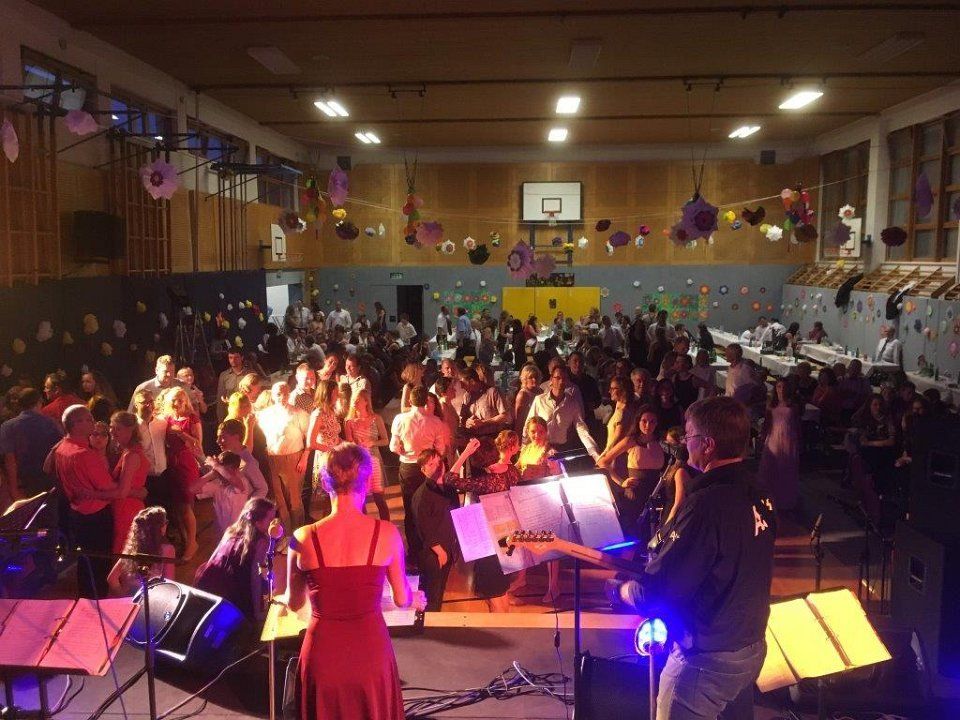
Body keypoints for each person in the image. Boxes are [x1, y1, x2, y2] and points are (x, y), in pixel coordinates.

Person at [609, 397, 776, 719]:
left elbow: (660, 591)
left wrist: (622, 591)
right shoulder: (759, 490)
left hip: (707, 658)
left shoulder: (706, 505)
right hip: (750, 643)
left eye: (689, 436)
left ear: (708, 445)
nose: (685, 443)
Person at [284, 443, 425, 720]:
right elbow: (402, 599)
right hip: (370, 653)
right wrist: (413, 596)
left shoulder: (302, 537)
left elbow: (294, 603)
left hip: (323, 655)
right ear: (368, 481)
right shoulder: (387, 534)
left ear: (324, 483)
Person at [447, 431, 522, 612]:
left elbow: (450, 478)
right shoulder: (512, 472)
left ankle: (500, 628)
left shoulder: (485, 482)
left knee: (494, 597)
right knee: (502, 593)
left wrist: (466, 452)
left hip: (489, 544)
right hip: (507, 538)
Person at [54, 405, 123, 597]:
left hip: (77, 514)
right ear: (76, 424)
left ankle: (86, 601)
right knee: (99, 564)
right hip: (96, 516)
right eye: (89, 419)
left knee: (85, 561)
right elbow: (110, 490)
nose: (93, 422)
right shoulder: (85, 455)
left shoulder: (61, 447)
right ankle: (97, 603)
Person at [413, 442, 477, 611]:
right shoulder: (422, 495)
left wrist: (466, 452)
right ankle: (427, 624)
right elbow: (423, 528)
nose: (437, 466)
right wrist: (440, 552)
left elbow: (452, 474)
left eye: (439, 462)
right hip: (434, 553)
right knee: (432, 595)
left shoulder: (448, 487)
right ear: (423, 470)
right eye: (431, 464)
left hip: (447, 548)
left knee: (440, 591)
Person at [390, 385, 450, 562]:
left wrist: (404, 450)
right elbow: (441, 450)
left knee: (411, 509)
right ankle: (432, 549)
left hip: (408, 468)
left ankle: (414, 554)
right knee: (430, 508)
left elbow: (393, 447)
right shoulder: (435, 422)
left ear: (410, 401)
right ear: (425, 402)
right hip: (429, 468)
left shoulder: (400, 419)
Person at [195, 497, 277, 622]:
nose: (273, 523)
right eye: (270, 519)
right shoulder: (261, 542)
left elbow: (212, 559)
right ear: (258, 521)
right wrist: (257, 612)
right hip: (230, 589)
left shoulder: (232, 531)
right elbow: (254, 578)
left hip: (210, 583)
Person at [158, 387, 204, 561]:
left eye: (180, 400)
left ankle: (192, 543)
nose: (177, 403)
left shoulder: (192, 418)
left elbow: (198, 444)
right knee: (176, 506)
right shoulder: (167, 418)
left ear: (185, 400)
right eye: (174, 400)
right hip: (171, 463)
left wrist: (182, 434)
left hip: (186, 462)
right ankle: (186, 540)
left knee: (186, 504)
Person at [258, 382, 311, 530]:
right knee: (279, 498)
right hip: (273, 457)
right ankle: (285, 533)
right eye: (278, 394)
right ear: (273, 395)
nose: (282, 397)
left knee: (294, 499)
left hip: (292, 457)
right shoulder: (265, 414)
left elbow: (309, 437)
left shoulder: (298, 413)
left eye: (285, 393)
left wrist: (304, 457)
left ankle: (298, 531)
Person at [0, 387, 61, 501]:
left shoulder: (7, 427)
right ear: (39, 402)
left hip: (24, 483)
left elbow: (10, 460)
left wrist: (14, 490)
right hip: (49, 480)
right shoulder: (50, 423)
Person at [106, 506, 176, 596]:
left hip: (130, 599)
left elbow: (112, 579)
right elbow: (169, 583)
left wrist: (123, 596)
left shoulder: (132, 549)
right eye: (165, 522)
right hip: (151, 599)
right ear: (161, 527)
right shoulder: (167, 549)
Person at [344, 389, 391, 520]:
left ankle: (386, 525)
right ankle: (364, 526)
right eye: (353, 400)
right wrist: (355, 445)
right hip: (359, 462)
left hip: (374, 460)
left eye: (358, 400)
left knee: (379, 497)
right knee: (361, 498)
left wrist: (372, 442)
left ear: (366, 402)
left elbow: (386, 440)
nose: (355, 403)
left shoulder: (376, 418)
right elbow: (349, 443)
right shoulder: (349, 421)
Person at [109, 411, 150, 553]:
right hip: (129, 504)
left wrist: (95, 491)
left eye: (117, 428)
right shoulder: (129, 451)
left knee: (123, 551)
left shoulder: (131, 455)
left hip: (126, 507)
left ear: (130, 430)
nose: (112, 431)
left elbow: (123, 491)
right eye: (111, 427)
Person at [759, 378, 803, 512]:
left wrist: (799, 441)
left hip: (788, 438)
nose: (781, 390)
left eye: (784, 387)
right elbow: (767, 422)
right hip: (773, 438)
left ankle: (785, 501)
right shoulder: (771, 404)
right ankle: (769, 499)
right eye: (779, 387)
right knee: (771, 468)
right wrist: (762, 436)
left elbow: (798, 424)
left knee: (785, 469)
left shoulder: (793, 405)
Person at [306, 380, 343, 512]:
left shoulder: (332, 411)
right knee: (329, 497)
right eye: (336, 393)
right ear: (327, 394)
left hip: (337, 457)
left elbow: (334, 435)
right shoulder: (318, 414)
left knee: (337, 497)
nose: (338, 395)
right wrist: (331, 449)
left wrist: (343, 444)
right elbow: (311, 442)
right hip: (326, 458)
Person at [215, 349, 247, 423]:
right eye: (230, 357)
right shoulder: (224, 375)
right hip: (231, 415)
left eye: (236, 357)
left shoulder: (249, 373)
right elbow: (220, 398)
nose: (233, 360)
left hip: (246, 413)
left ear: (242, 358)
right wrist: (221, 420)